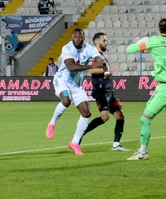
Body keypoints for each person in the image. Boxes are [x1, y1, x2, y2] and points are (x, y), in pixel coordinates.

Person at [125, 18, 166, 160]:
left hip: (165, 87)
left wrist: (141, 42)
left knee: (144, 120)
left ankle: (142, 152)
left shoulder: (153, 41)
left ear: (158, 29)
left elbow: (129, 50)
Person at [45, 28, 107, 156]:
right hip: (62, 80)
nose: (77, 39)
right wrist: (92, 66)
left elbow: (99, 59)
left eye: (80, 37)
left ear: (83, 38)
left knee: (86, 113)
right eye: (75, 37)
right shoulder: (67, 48)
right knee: (66, 101)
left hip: (76, 85)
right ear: (72, 38)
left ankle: (75, 143)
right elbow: (71, 67)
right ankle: (52, 123)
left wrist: (101, 63)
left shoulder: (88, 48)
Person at [79, 32, 130, 152]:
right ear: (97, 42)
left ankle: (116, 144)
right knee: (104, 117)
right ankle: (79, 136)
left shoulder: (102, 56)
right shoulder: (94, 55)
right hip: (101, 91)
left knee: (120, 115)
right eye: (104, 41)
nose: (106, 43)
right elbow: (92, 71)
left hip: (109, 90)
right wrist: (108, 70)